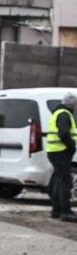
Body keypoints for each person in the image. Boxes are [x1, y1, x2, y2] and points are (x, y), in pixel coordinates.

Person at [47, 92, 77, 223]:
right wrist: (72, 147)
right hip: (61, 152)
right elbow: (64, 133)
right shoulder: (64, 114)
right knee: (65, 181)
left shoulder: (58, 113)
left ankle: (56, 210)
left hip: (55, 152)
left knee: (58, 180)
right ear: (72, 104)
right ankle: (65, 212)